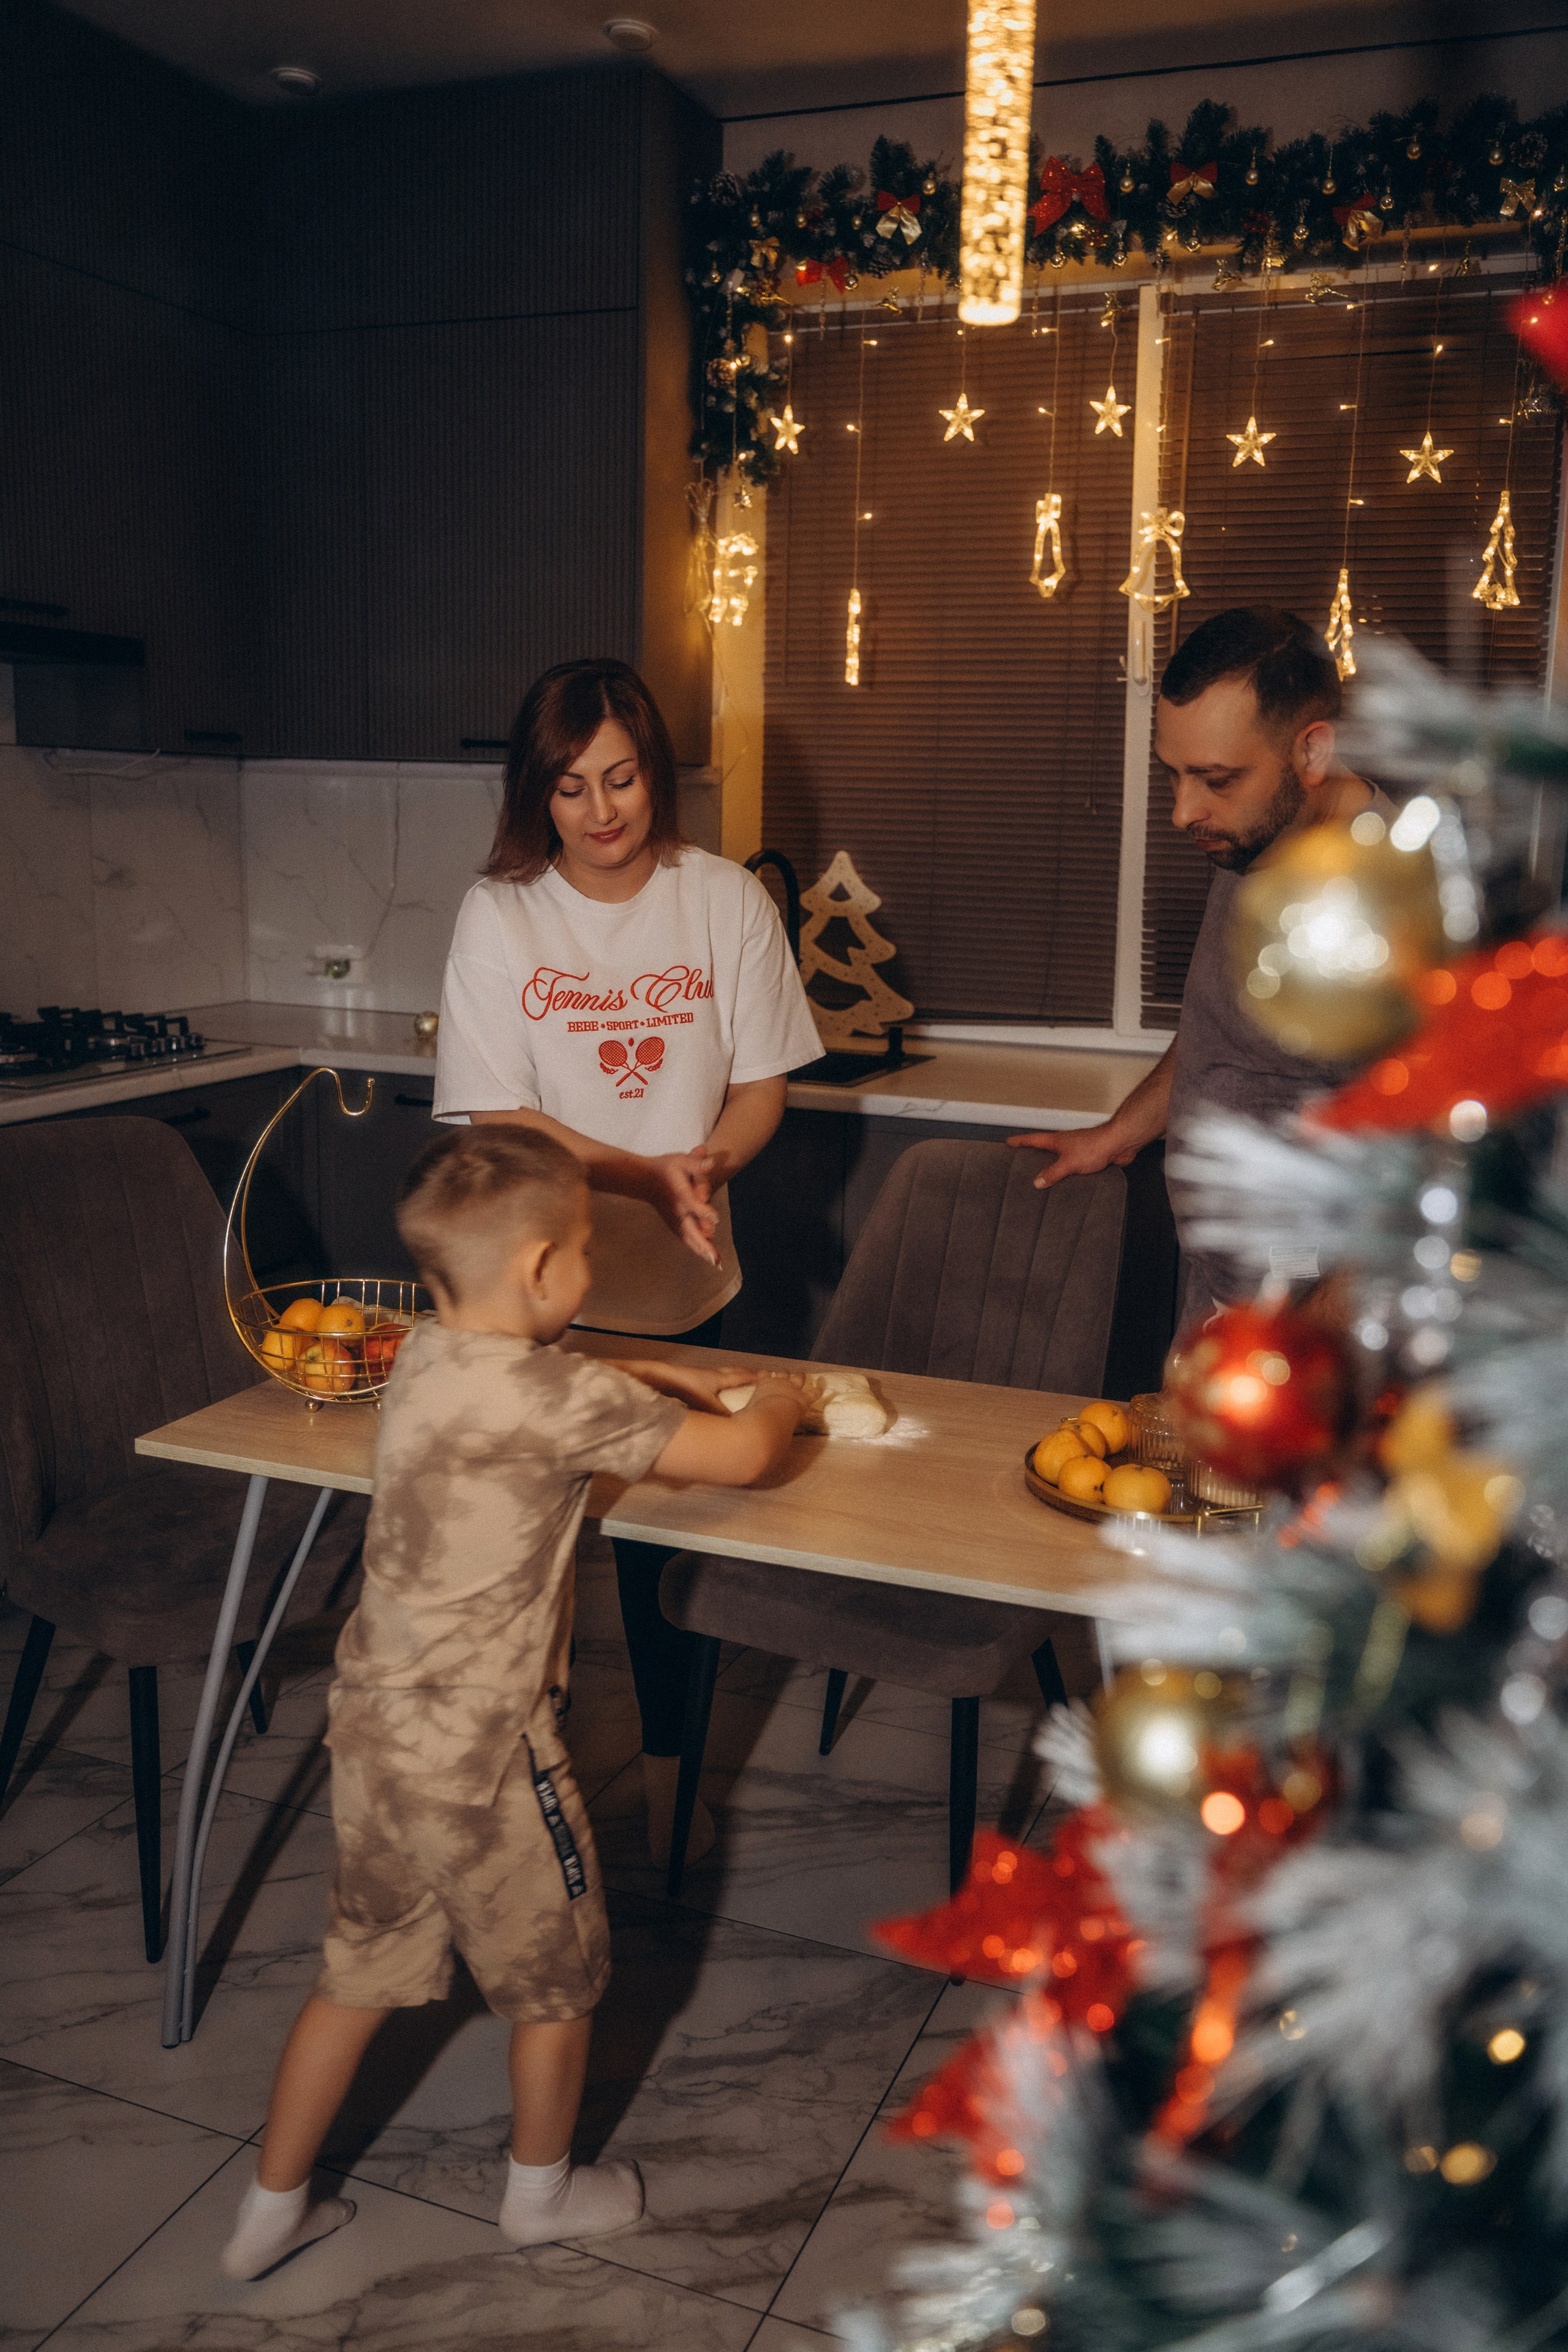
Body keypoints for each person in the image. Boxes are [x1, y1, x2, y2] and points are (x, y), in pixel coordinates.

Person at [221, 1125, 813, 2283]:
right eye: (585, 1248)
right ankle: (542, 2196)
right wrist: (778, 1401)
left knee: (354, 1977)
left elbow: (563, 1374)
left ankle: (267, 2211)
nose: (587, 1269)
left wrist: (659, 1375)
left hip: (374, 1731)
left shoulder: (428, 1355)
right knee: (562, 1977)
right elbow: (739, 1458)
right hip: (490, 1752)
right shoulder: (560, 1398)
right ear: (545, 1269)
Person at [432, 658, 821, 1866]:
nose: (600, 811)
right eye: (568, 786)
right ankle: (512, 1793)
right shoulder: (499, 914)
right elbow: (497, 1121)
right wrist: (638, 1172)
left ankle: (668, 1788)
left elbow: (761, 1085)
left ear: (657, 776)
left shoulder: (723, 904)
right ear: (532, 794)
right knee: (524, 1561)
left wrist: (703, 1163)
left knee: (670, 1563)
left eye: (622, 778)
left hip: (686, 1290)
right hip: (533, 1297)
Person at [1008, 606, 1393, 1323]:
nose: (1185, 810)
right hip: (1219, 1289)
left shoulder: (1393, 899)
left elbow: (1431, 1155)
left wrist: (1307, 1352)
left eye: (1214, 779)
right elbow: (1219, 1025)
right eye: (1174, 775)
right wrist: (1120, 1132)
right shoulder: (1253, 838)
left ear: (1311, 754)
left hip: (1311, 1328)